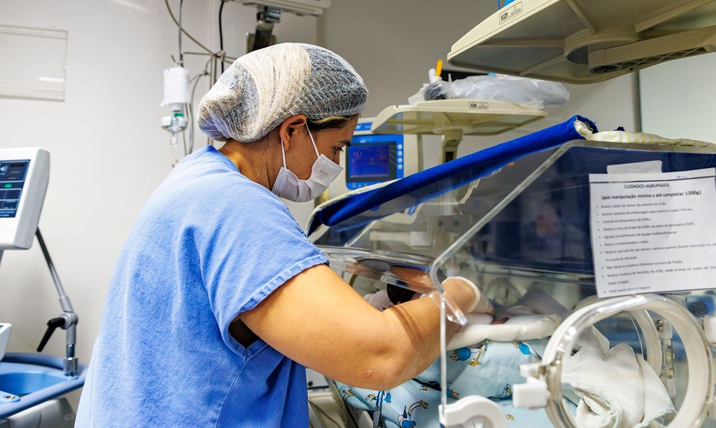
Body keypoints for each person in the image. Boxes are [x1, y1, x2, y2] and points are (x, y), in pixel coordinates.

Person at [75, 43, 491, 427]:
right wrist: (463, 288)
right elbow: (382, 357)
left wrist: (367, 307)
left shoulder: (197, 177)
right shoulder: (237, 207)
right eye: (337, 148)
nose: (335, 164)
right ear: (292, 129)